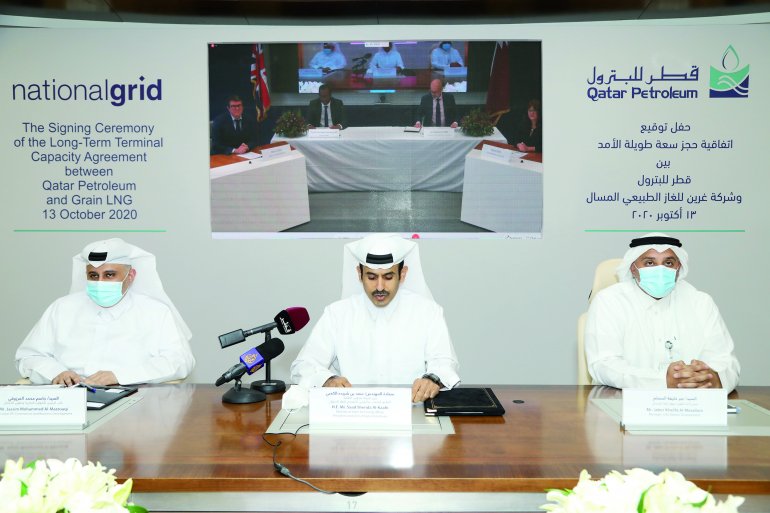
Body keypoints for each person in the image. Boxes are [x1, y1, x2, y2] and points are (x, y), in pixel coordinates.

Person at [290, 233, 460, 403]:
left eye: (388, 277)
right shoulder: (337, 314)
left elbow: (444, 362)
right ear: (359, 273)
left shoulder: (428, 312)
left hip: (411, 413)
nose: (380, 286)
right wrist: (326, 380)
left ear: (403, 274)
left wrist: (432, 378)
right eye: (371, 277)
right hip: (351, 413)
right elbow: (303, 365)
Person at [16, 238, 195, 386]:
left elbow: (179, 361)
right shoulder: (62, 308)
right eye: (93, 276)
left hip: (134, 401)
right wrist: (57, 372)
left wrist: (119, 376)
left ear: (130, 276)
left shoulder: (155, 312)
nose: (100, 282)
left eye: (109, 275)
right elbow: (29, 355)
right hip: (68, 399)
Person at [585, 233, 740, 391]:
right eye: (650, 263)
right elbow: (604, 364)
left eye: (668, 262)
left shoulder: (700, 302)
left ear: (678, 268)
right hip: (621, 406)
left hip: (693, 406)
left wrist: (713, 379)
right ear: (633, 268)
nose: (660, 269)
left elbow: (727, 362)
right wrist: (663, 381)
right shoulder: (609, 301)